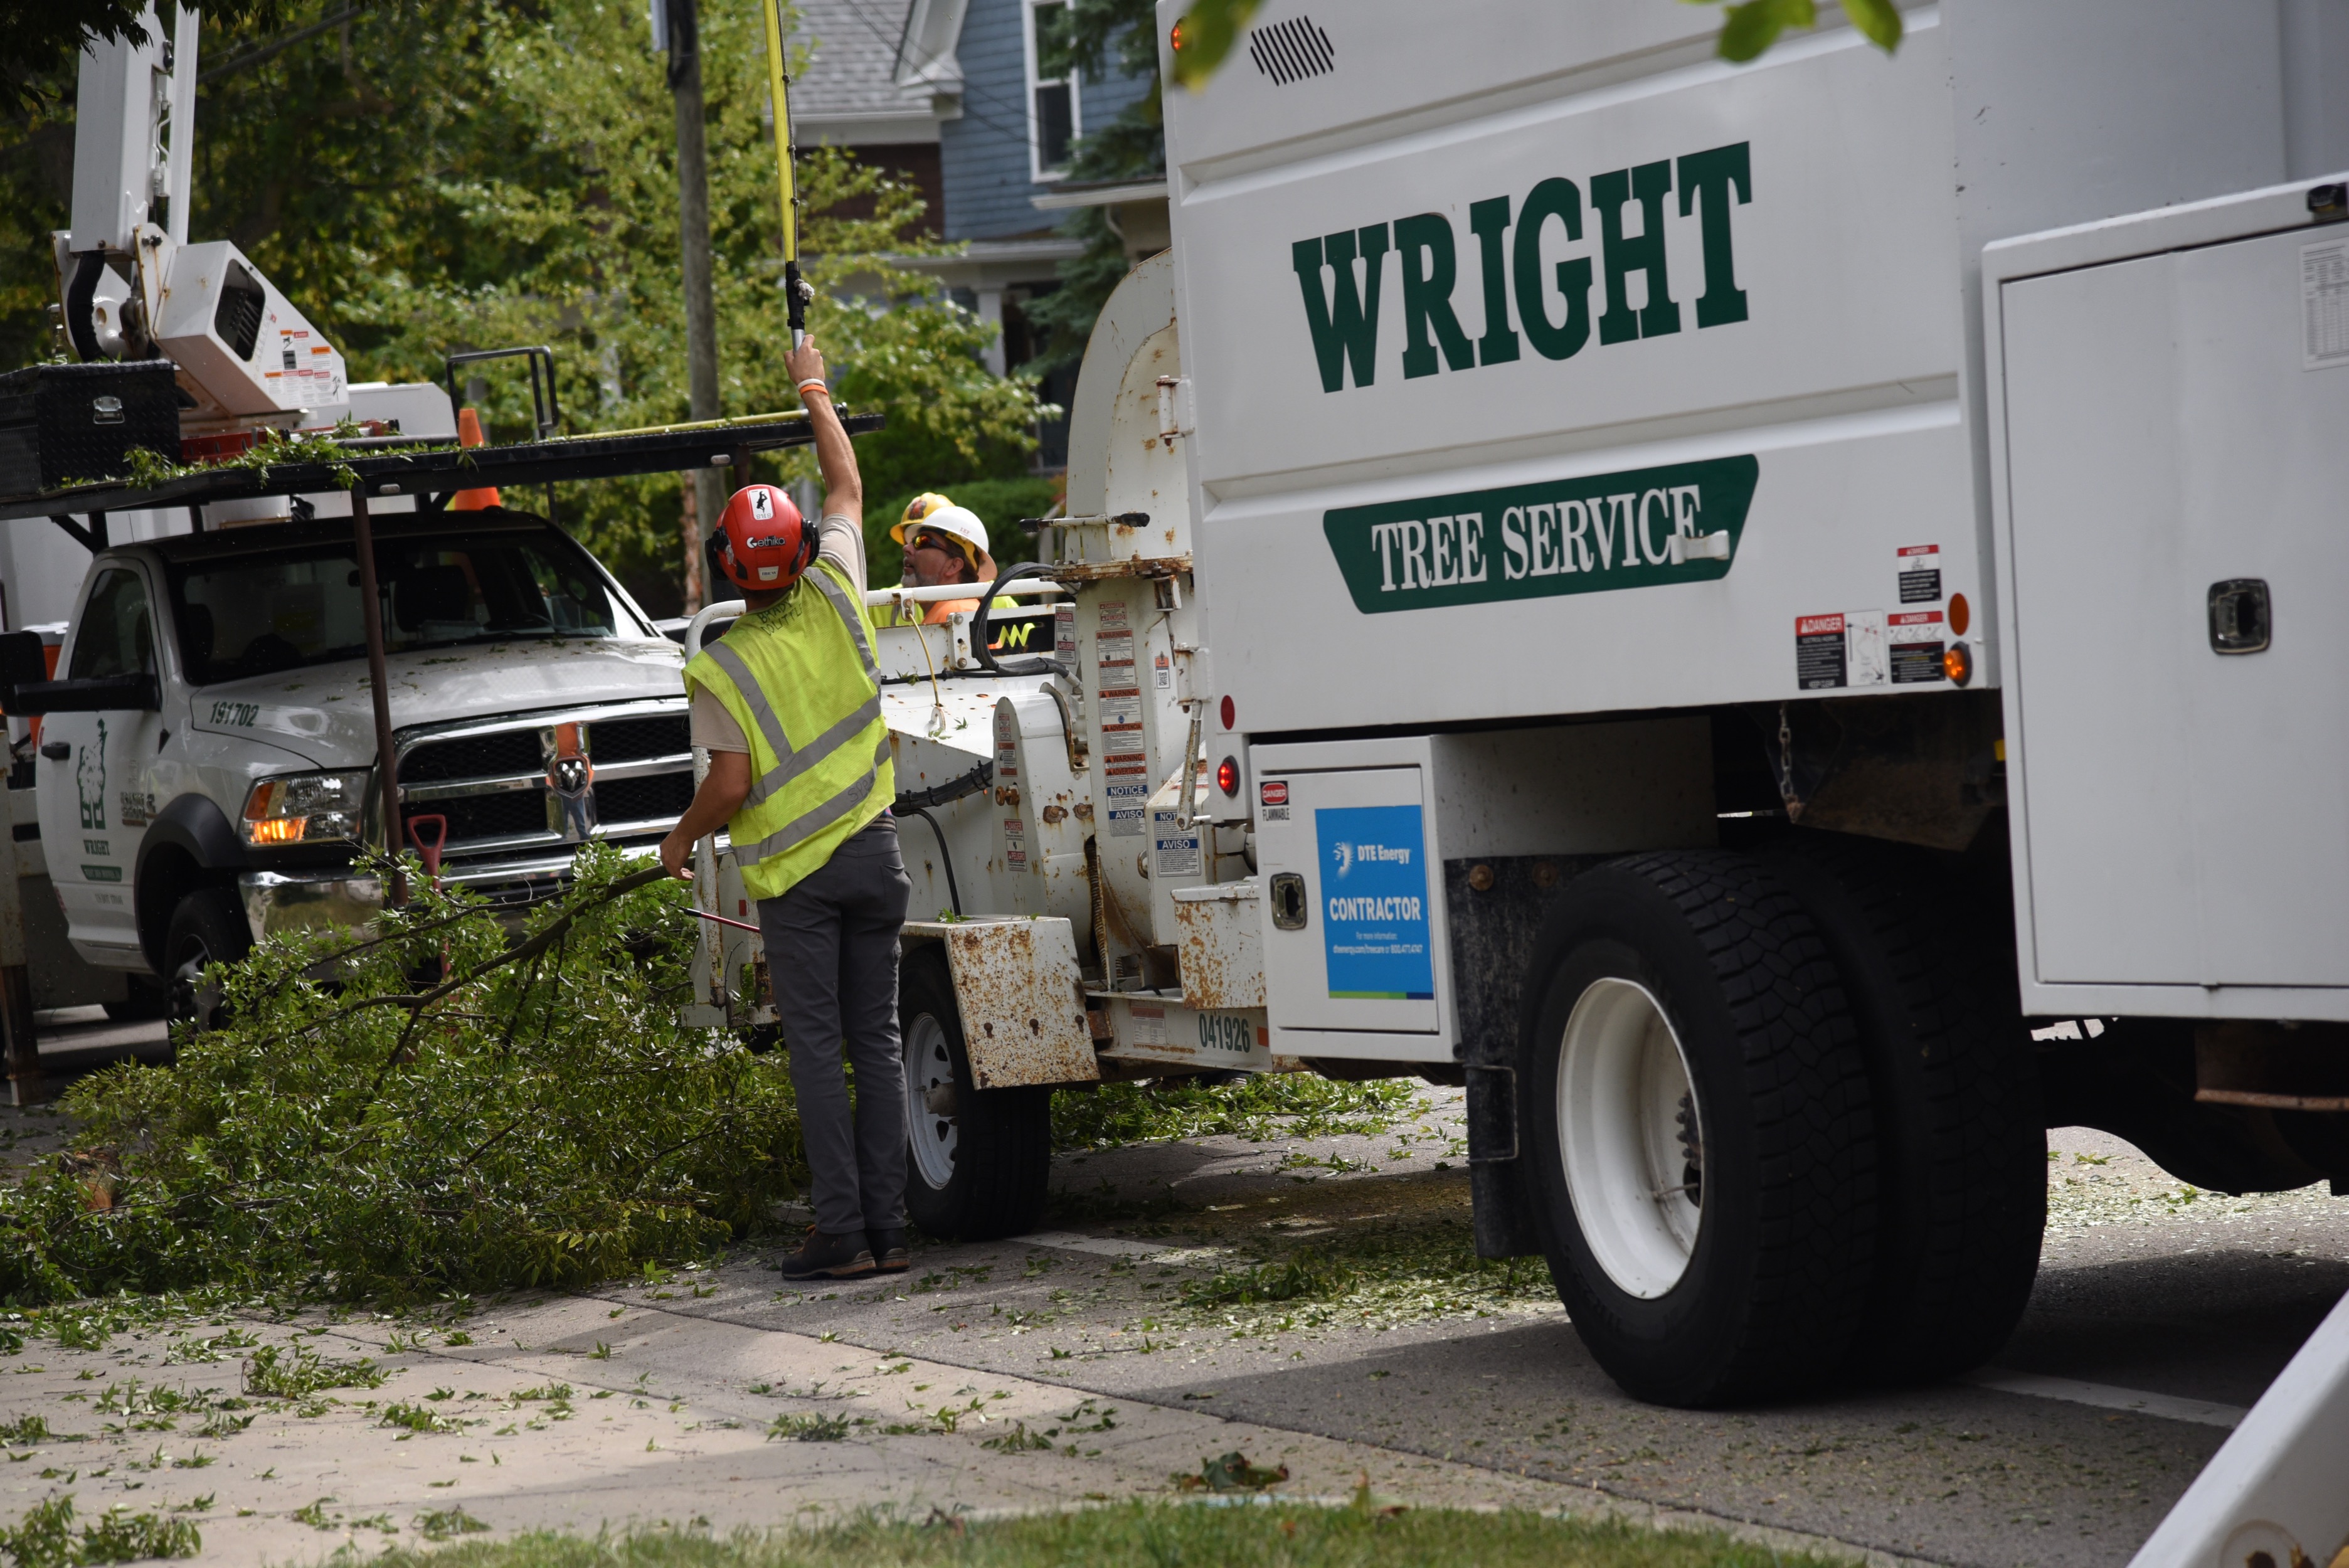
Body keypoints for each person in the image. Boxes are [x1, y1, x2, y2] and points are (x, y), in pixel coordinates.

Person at [657, 336, 909, 1283]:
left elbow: (728, 787)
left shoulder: (721, 664)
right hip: (877, 857)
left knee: (816, 1052)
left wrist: (678, 845)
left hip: (799, 884)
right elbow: (844, 482)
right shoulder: (841, 588)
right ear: (802, 547)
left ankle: (839, 1233)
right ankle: (885, 1231)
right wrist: (812, 384)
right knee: (876, 1042)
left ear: (728, 567)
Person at [890, 495, 999, 623]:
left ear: (954, 566)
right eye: (912, 541)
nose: (906, 548)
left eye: (923, 541)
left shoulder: (958, 612)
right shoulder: (952, 611)